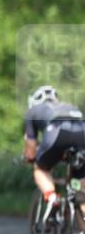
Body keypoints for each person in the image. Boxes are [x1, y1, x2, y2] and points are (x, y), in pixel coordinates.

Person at [22, 86, 85, 215]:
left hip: (56, 131)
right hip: (82, 131)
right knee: (81, 183)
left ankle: (52, 198)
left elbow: (31, 147)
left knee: (40, 170)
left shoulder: (32, 111)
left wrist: (30, 158)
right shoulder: (68, 105)